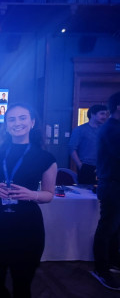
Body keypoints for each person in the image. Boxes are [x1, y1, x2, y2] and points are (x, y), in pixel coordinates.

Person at [0, 103, 57, 298]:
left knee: (22, 286)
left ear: (32, 122)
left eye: (22, 118)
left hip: (27, 228)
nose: (17, 123)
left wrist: (33, 195)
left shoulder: (45, 157)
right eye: (11, 119)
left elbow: (49, 194)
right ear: (6, 125)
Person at [91, 92, 120, 291]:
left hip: (114, 183)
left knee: (115, 228)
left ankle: (112, 261)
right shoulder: (111, 129)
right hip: (112, 184)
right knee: (107, 227)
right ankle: (101, 269)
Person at [68, 104, 108, 184]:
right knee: (85, 192)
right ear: (93, 114)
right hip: (86, 166)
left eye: (106, 114)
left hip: (103, 167)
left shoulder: (105, 130)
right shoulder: (80, 130)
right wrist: (80, 165)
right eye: (102, 114)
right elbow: (72, 148)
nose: (105, 116)